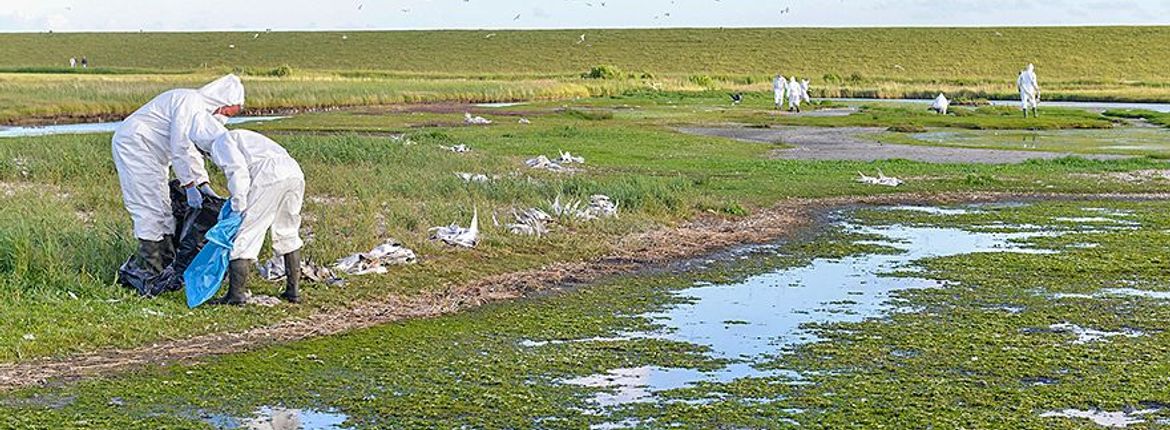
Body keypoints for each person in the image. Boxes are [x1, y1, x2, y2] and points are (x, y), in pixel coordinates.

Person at [111, 74, 245, 283]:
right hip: (135, 146)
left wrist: (203, 184)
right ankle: (149, 270)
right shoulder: (189, 101)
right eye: (227, 112)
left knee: (163, 207)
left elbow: (191, 151)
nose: (224, 117)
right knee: (148, 207)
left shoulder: (197, 111)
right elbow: (180, 146)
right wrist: (189, 185)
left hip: (153, 154)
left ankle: (163, 266)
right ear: (221, 102)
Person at [188, 127, 305, 305]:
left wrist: (238, 205)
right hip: (294, 172)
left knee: (245, 235)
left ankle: (236, 295)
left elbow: (237, 173)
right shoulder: (243, 135)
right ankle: (293, 292)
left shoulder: (221, 142)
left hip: (268, 175)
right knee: (287, 230)